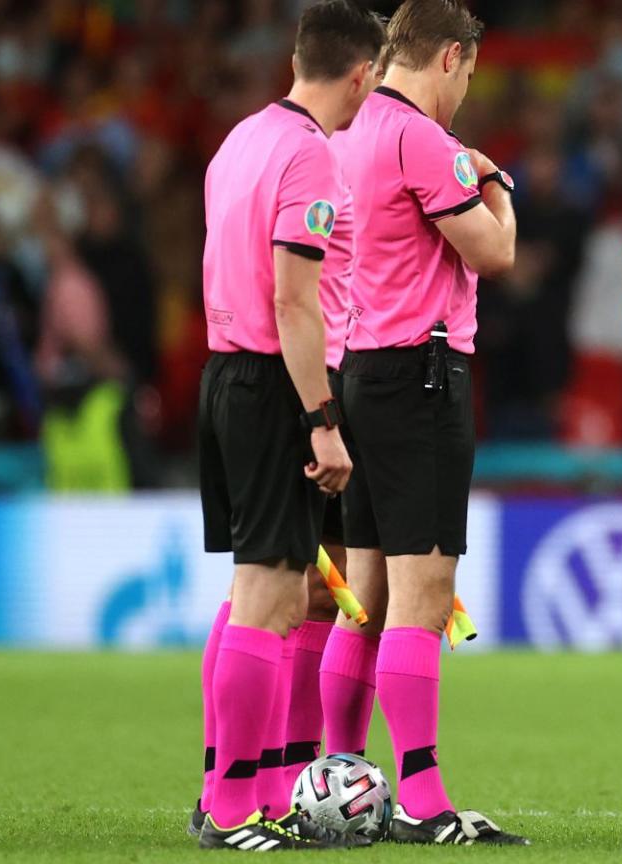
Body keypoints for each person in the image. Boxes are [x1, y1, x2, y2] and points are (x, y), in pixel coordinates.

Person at [321, 0, 526, 846]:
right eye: (469, 75)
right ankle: (422, 799)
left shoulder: (347, 130)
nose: (465, 93)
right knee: (421, 596)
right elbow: (495, 253)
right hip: (422, 376)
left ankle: (333, 777)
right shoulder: (420, 139)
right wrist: (493, 184)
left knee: (362, 596)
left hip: (360, 369)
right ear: (449, 57)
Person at [188, 12, 387, 842]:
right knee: (272, 598)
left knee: (252, 597)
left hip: (225, 373)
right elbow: (293, 299)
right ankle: (233, 807)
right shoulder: (309, 155)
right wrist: (322, 421)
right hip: (278, 384)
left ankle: (252, 789)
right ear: (362, 75)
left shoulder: (241, 139)